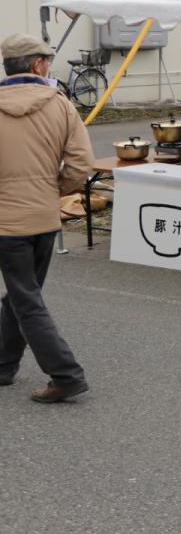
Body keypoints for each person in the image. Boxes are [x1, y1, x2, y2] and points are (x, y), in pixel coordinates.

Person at [0, 34, 93, 403]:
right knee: (25, 294)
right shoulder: (61, 105)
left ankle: (67, 375)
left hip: (7, 222)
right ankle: (4, 365)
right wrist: (50, 192)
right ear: (37, 65)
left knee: (25, 298)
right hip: (44, 218)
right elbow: (81, 165)